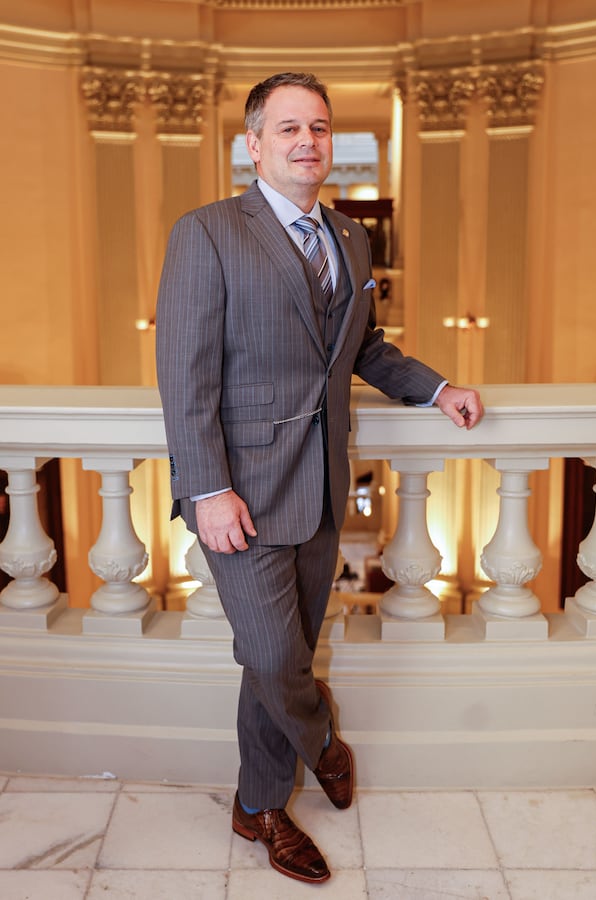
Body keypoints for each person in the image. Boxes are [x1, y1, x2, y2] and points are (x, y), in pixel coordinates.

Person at [155, 71, 483, 885]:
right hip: (238, 492)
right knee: (273, 655)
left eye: (322, 128)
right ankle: (325, 746)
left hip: (323, 482)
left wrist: (437, 388)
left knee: (279, 655)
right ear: (253, 144)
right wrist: (206, 488)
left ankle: (259, 805)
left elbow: (361, 348)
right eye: (290, 127)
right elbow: (183, 372)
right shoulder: (207, 232)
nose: (309, 142)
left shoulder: (351, 238)